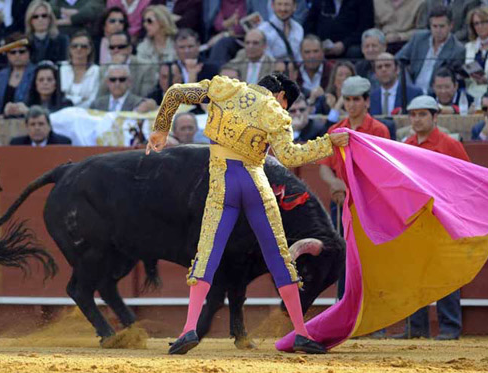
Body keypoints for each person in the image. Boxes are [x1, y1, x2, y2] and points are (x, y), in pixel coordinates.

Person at [146, 72, 350, 355]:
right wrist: (328, 143)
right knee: (278, 254)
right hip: (256, 183)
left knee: (207, 253)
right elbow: (290, 157)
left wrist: (161, 129)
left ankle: (189, 328)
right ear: (281, 96)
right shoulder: (274, 111)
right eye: (286, 104)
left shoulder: (223, 88)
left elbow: (175, 93)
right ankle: (301, 333)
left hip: (223, 182)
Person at [390, 95, 469, 340]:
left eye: (423, 114)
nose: (417, 119)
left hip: (443, 216)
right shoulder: (407, 144)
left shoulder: (450, 144)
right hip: (415, 217)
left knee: (445, 271)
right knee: (414, 272)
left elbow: (466, 178)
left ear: (435, 117)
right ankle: (416, 328)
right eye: (413, 115)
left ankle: (449, 327)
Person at [319, 77, 391, 297]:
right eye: (348, 100)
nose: (351, 105)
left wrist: (353, 190)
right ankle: (345, 309)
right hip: (342, 203)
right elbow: (324, 168)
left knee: (372, 259)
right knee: (343, 258)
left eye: (356, 100)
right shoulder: (335, 129)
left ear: (367, 101)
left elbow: (381, 172)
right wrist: (334, 183)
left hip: (369, 204)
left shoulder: (379, 130)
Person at [396, 5, 465, 94]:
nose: (438, 30)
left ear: (451, 26)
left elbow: (448, 80)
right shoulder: (418, 38)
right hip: (410, 90)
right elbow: (398, 59)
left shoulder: (458, 50)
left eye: (442, 26)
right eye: (434, 26)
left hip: (435, 94)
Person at [0, 33, 36, 118]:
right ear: (7, 55)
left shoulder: (36, 72)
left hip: (28, 120)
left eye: (22, 51)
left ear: (29, 52)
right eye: (12, 52)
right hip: (2, 123)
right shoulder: (2, 75)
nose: (17, 55)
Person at [304, 0, 374, 59]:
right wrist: (318, 43)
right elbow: (309, 26)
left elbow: (365, 29)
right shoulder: (320, 2)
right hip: (322, 46)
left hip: (350, 45)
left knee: (354, 51)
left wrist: (344, 44)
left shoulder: (363, 2)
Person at [98, 31, 154, 97]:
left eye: (121, 47)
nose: (116, 50)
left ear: (129, 49)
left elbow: (145, 97)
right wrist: (112, 68)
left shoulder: (145, 67)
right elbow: (100, 96)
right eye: (112, 47)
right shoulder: (104, 68)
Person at [136, 5, 178, 82]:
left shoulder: (177, 45)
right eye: (144, 21)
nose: (145, 24)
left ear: (162, 21)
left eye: (149, 21)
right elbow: (144, 73)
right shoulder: (142, 48)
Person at [60, 30, 101, 108]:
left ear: (89, 50)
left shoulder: (97, 71)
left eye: (83, 46)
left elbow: (93, 99)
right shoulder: (61, 69)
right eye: (75, 46)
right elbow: (59, 97)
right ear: (70, 49)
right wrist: (81, 99)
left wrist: (70, 98)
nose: (79, 49)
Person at [417, 0, 482, 42]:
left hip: (458, 42)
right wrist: (434, 38)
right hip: (432, 41)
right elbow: (422, 26)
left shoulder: (471, 2)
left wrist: (447, 39)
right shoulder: (430, 2)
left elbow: (468, 29)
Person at [296, 35, 333, 99]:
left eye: (315, 51)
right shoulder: (294, 71)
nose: (312, 56)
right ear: (301, 54)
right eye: (307, 52)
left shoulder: (332, 70)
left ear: (322, 52)